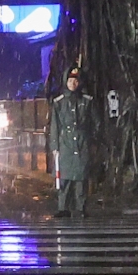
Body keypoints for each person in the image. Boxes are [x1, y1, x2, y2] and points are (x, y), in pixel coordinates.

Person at [49, 64, 96, 217]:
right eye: (70, 81)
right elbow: (55, 125)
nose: (73, 84)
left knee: (81, 177)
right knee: (64, 177)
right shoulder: (59, 102)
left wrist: (93, 141)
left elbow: (95, 122)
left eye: (75, 81)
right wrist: (55, 146)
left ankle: (81, 208)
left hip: (82, 141)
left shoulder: (87, 101)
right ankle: (63, 208)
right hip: (65, 143)